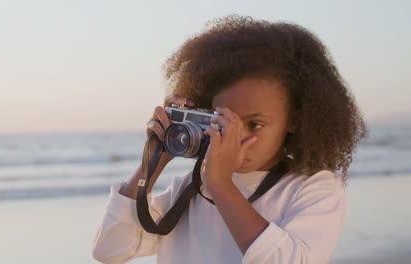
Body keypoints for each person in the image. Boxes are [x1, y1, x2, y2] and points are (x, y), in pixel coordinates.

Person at [92, 14, 367, 264]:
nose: (237, 137)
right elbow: (109, 249)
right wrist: (155, 160)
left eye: (255, 124)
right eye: (223, 120)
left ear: (295, 120)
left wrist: (221, 185)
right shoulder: (190, 187)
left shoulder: (312, 189)